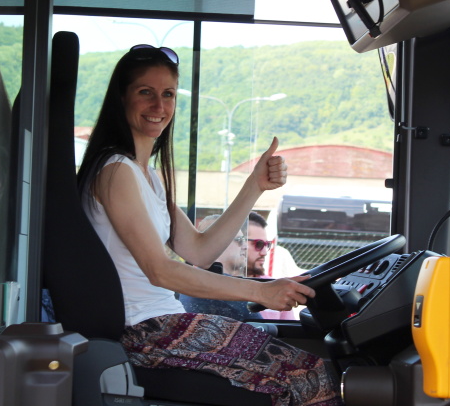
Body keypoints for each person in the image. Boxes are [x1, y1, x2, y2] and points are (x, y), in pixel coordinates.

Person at [76, 44, 342, 406]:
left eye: (168, 94)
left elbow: (199, 252)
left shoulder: (148, 175)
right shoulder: (115, 171)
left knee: (313, 372)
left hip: (165, 321)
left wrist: (255, 186)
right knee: (313, 379)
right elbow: (160, 270)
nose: (159, 106)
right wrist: (259, 292)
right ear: (121, 97)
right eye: (145, 93)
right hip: (145, 332)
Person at [179, 214, 260, 321]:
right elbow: (263, 328)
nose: (245, 246)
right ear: (216, 245)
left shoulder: (194, 282)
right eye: (239, 240)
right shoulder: (226, 291)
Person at [247, 212, 300, 320]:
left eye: (267, 245)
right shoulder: (216, 288)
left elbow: (288, 332)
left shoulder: (276, 287)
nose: (264, 252)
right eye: (258, 244)